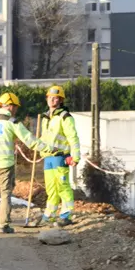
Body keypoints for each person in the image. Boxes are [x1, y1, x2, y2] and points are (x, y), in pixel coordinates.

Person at [0, 92, 52, 234]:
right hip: (6, 166)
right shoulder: (12, 123)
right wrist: (49, 149)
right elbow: (30, 141)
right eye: (15, 107)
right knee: (5, 195)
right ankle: (3, 226)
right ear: (10, 106)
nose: (16, 110)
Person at [38, 85, 82, 227]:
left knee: (63, 186)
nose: (52, 100)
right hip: (48, 157)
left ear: (61, 100)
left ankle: (66, 215)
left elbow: (73, 137)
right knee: (51, 188)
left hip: (60, 157)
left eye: (55, 97)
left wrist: (75, 157)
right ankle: (49, 215)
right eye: (50, 97)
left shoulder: (65, 117)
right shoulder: (45, 118)